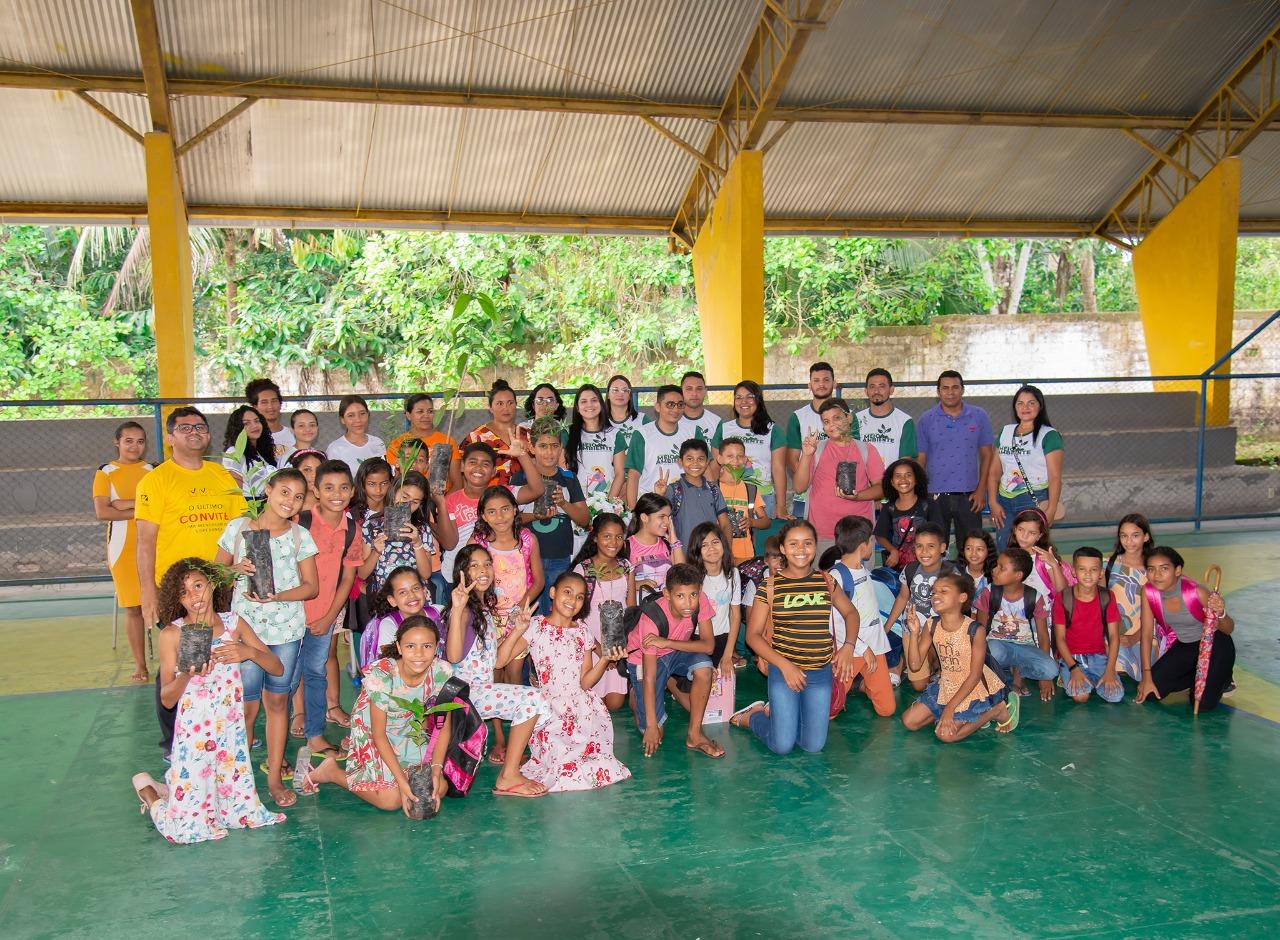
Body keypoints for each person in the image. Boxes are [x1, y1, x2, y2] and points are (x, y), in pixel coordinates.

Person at [132, 557, 284, 843]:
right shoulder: (172, 634)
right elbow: (166, 699)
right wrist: (187, 674)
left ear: (213, 585)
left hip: (230, 730)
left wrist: (248, 652)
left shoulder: (233, 624)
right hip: (195, 732)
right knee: (187, 829)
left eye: (198, 586)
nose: (194, 597)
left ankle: (173, 785)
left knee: (237, 814)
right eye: (184, 593)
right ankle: (149, 793)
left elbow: (277, 667)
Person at [136, 407, 248, 755]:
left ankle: (219, 730)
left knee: (220, 655)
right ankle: (174, 740)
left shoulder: (222, 477)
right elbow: (145, 543)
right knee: (179, 659)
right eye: (184, 428)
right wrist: (147, 594)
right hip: (177, 591)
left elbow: (241, 530)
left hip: (220, 585)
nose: (194, 432)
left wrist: (228, 576)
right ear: (170, 438)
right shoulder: (155, 480)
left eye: (200, 426)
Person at [213, 467, 320, 808]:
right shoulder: (239, 528)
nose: (291, 501)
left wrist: (278, 596)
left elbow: (311, 587)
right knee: (245, 706)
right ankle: (235, 779)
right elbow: (213, 572)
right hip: (244, 631)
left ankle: (274, 778)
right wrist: (235, 569)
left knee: (278, 703)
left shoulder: (300, 536)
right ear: (268, 491)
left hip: (286, 632)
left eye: (299, 496)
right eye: (284, 492)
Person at [296, 615, 455, 816]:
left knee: (440, 787)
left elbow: (443, 727)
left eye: (427, 646)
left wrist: (436, 769)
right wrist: (401, 783)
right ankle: (332, 772)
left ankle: (402, 777)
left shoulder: (442, 672)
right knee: (390, 801)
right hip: (373, 730)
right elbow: (378, 734)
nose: (419, 654)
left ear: (436, 647)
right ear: (398, 647)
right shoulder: (383, 675)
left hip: (407, 726)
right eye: (410, 646)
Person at [729, 520, 858, 755]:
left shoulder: (826, 581)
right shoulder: (769, 586)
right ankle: (753, 717)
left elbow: (851, 613)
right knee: (782, 745)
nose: (801, 549)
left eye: (807, 543)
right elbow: (753, 636)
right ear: (783, 548)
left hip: (820, 671)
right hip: (784, 670)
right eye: (794, 544)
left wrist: (849, 646)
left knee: (813, 746)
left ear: (816, 546)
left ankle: (785, 717)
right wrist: (784, 665)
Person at [499, 571, 631, 792]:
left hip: (582, 710)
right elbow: (499, 661)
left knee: (597, 764)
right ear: (553, 593)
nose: (573, 600)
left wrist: (605, 658)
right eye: (567, 592)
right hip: (549, 709)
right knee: (561, 766)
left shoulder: (582, 632)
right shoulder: (536, 626)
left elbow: (586, 683)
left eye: (580, 597)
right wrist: (517, 630)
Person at [445, 546, 551, 797]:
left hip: (479, 690)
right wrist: (458, 608)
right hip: (461, 692)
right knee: (533, 699)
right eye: (474, 565)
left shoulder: (484, 611)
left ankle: (514, 766)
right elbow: (453, 656)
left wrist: (518, 629)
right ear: (462, 572)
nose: (483, 570)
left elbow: (497, 663)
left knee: (535, 696)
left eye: (486, 564)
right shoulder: (463, 609)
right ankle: (508, 775)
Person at [290, 459, 364, 746]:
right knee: (285, 680)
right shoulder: (301, 522)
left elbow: (347, 580)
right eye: (329, 487)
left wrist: (329, 617)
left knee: (315, 674)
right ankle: (279, 738)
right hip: (291, 616)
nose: (337, 493)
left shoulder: (352, 529)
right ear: (316, 491)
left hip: (324, 616)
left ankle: (316, 734)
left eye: (344, 487)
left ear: (352, 491)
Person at [901, 571, 1018, 741]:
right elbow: (914, 665)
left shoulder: (974, 630)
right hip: (947, 684)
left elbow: (975, 676)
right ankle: (956, 715)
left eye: (944, 591)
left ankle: (995, 710)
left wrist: (949, 710)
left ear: (962, 597)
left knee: (946, 736)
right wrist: (914, 633)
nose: (935, 595)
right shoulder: (931, 625)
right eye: (934, 592)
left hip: (973, 687)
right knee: (909, 722)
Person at [625, 562, 724, 759]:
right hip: (644, 662)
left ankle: (695, 734)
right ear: (667, 595)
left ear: (699, 591)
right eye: (680, 596)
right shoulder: (651, 619)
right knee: (655, 734)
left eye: (693, 595)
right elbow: (650, 676)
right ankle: (636, 697)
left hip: (675, 649)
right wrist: (652, 726)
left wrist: (667, 642)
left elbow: (708, 646)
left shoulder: (700, 600)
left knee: (705, 666)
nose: (688, 603)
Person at [1138, 546, 1236, 712]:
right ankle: (1199, 672)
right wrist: (1147, 676)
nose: (1157, 575)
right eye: (1151, 569)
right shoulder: (1148, 592)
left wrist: (1221, 613)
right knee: (1150, 694)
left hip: (1215, 642)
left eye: (1164, 569)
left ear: (1178, 570)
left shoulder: (1196, 592)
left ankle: (1225, 677)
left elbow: (1228, 629)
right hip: (1186, 645)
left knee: (1202, 704)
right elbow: (1146, 634)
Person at [92, 420, 154, 683]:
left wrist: (123, 506)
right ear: (117, 442)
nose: (134, 446)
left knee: (165, 601)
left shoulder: (152, 470)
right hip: (121, 547)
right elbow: (103, 511)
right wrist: (139, 510)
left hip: (154, 542)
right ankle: (140, 664)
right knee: (134, 608)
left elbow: (162, 506)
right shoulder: (105, 472)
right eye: (128, 440)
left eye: (140, 441)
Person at [438, 441, 544, 592]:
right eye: (472, 462)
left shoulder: (501, 495)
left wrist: (522, 455)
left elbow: (537, 489)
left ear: (494, 471)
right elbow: (449, 544)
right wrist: (440, 504)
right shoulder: (450, 501)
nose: (478, 468)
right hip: (456, 576)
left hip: (496, 578)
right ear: (462, 466)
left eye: (485, 464)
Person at [512, 416, 589, 613]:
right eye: (543, 446)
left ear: (561, 448)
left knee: (557, 610)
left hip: (560, 555)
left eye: (554, 446)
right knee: (530, 612)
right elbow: (509, 520)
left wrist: (563, 503)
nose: (549, 452)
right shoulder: (520, 477)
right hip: (527, 556)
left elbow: (584, 519)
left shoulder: (569, 478)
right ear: (532, 447)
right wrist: (535, 517)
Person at [915, 370, 994, 558]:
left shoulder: (979, 415)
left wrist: (980, 490)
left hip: (969, 497)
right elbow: (921, 459)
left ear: (962, 390)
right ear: (938, 391)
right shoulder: (926, 419)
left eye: (955, 388)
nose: (950, 392)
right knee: (934, 550)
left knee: (970, 551)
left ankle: (969, 585)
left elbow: (987, 454)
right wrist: (919, 493)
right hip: (934, 495)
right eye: (945, 388)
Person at [791, 398, 885, 552]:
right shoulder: (816, 450)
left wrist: (858, 496)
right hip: (822, 534)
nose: (832, 425)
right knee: (823, 576)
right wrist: (807, 455)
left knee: (858, 576)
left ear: (848, 418)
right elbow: (799, 487)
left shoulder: (866, 449)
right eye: (826, 421)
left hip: (859, 535)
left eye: (837, 418)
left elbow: (882, 488)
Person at [826, 516, 896, 718]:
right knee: (829, 710)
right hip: (851, 651)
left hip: (876, 646)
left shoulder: (863, 570)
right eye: (872, 540)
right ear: (863, 545)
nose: (873, 544)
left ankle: (864, 685)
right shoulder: (837, 576)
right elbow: (834, 625)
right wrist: (862, 649)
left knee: (887, 710)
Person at [571, 512, 635, 711]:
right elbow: (575, 618)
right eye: (607, 536)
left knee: (613, 704)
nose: (613, 542)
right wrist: (599, 649)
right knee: (590, 702)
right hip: (591, 644)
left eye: (618, 537)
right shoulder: (583, 570)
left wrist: (620, 649)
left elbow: (631, 609)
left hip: (617, 643)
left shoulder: (626, 567)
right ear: (595, 537)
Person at [988, 385, 1064, 550]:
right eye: (1020, 403)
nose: (1025, 408)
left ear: (1040, 406)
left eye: (1031, 403)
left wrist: (1051, 508)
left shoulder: (1049, 435)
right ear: (1015, 407)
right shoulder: (1005, 432)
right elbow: (994, 473)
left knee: (1031, 550)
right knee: (1004, 548)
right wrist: (993, 501)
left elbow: (1055, 477)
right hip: (1004, 501)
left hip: (1032, 499)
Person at [977, 547, 1054, 701]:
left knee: (1051, 670)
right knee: (992, 651)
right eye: (997, 565)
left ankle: (1017, 670)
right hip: (998, 644)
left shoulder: (1034, 596)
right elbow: (979, 627)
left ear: (1018, 575)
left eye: (1001, 568)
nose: (995, 570)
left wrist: (1045, 678)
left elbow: (1044, 636)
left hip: (1025, 647)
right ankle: (1004, 678)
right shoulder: (989, 592)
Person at [884, 522, 953, 688]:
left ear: (942, 548)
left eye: (931, 546)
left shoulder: (951, 573)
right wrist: (887, 626)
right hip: (913, 630)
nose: (924, 552)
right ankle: (905, 659)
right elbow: (902, 597)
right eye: (919, 546)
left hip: (940, 630)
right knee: (919, 686)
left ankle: (935, 660)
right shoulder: (910, 569)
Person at [1053, 547, 1124, 704]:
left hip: (1099, 656)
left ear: (1100, 573)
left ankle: (1091, 678)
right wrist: (1074, 669)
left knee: (1115, 697)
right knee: (1081, 697)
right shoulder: (1063, 598)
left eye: (1093, 570)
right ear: (1073, 572)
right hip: (1072, 657)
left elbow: (1113, 636)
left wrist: (1110, 670)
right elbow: (1060, 639)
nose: (1087, 574)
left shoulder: (1107, 597)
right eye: (1082, 569)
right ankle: (1065, 673)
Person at [358, 469, 442, 599]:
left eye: (415, 502)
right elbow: (362, 574)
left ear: (420, 504)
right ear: (394, 491)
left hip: (414, 598)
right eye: (404, 497)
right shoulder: (371, 525)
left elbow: (426, 574)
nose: (407, 505)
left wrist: (418, 543)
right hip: (385, 598)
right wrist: (376, 552)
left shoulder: (421, 529)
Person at [711, 381, 787, 518]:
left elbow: (778, 469)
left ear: (758, 399)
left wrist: (781, 506)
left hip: (763, 497)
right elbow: (716, 467)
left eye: (749, 396)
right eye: (738, 397)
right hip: (729, 497)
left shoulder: (773, 430)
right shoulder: (724, 428)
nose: (743, 401)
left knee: (761, 538)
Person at [686, 523, 742, 678]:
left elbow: (735, 616)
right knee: (702, 680)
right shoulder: (694, 578)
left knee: (720, 685)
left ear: (723, 544)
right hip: (698, 639)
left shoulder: (733, 574)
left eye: (715, 542)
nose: (711, 548)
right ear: (697, 551)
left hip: (724, 639)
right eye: (704, 545)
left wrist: (728, 654)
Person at [785, 361, 839, 518]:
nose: (821, 384)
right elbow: (793, 459)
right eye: (816, 380)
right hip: (806, 491)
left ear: (834, 384)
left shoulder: (848, 416)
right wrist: (810, 481)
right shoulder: (798, 417)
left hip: (837, 491)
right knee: (805, 537)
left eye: (826, 380)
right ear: (809, 385)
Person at [655, 438, 731, 548]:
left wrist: (726, 551)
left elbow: (725, 524)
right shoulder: (674, 490)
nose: (695, 463)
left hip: (711, 554)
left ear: (707, 462)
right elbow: (659, 519)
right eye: (689, 459)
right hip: (683, 556)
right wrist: (660, 496)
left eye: (700, 459)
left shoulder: (713, 489)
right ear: (680, 462)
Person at [622, 384, 689, 509]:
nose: (675, 409)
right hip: (651, 506)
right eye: (670, 404)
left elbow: (704, 470)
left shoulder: (692, 432)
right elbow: (633, 475)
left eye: (680, 404)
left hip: (685, 505)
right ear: (658, 407)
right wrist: (633, 511)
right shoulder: (642, 434)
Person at [1106, 514, 1154, 681]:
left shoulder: (1154, 570)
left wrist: (1136, 637)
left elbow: (1160, 611)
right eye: (1124, 536)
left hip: (1146, 634)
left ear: (1146, 537)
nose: (1129, 541)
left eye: (1135, 535)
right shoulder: (1108, 565)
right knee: (1114, 663)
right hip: (1112, 633)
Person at [874, 457, 942, 572]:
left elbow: (939, 534)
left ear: (916, 479)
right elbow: (880, 535)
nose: (903, 479)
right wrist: (893, 550)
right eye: (898, 476)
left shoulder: (929, 505)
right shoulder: (889, 508)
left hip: (925, 567)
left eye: (908, 475)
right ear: (891, 482)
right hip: (899, 570)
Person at [363, 567, 438, 670]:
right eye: (402, 592)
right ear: (392, 600)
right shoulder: (389, 625)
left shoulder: (439, 612)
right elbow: (388, 664)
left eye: (415, 588)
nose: (411, 595)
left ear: (425, 591)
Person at [385, 393, 463, 492]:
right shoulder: (397, 444)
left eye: (430, 411)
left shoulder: (447, 441)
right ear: (408, 415)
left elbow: (458, 484)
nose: (426, 415)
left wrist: (442, 504)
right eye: (420, 411)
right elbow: (393, 482)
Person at [564, 383, 625, 504]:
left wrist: (608, 503)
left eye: (594, 400)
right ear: (577, 407)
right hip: (576, 503)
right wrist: (576, 504)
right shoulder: (567, 433)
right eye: (584, 401)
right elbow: (564, 471)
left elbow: (620, 473)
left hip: (606, 501)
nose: (589, 405)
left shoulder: (615, 434)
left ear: (601, 404)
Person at [464, 380, 531, 488]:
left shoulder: (528, 435)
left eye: (510, 403)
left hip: (526, 496)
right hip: (488, 498)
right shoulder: (476, 436)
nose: (506, 408)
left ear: (516, 405)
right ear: (490, 408)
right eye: (500, 403)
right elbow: (463, 471)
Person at [717, 436, 771, 565]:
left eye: (740, 456)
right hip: (718, 554)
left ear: (745, 460)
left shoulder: (751, 489)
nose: (735, 461)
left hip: (745, 555)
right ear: (720, 459)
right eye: (730, 456)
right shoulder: (713, 489)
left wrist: (751, 522)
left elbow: (766, 522)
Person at [1008, 508, 1070, 608]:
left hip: (1042, 614)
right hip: (1015, 614)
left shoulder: (1044, 558)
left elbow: (1063, 591)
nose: (1024, 536)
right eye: (1021, 529)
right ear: (1015, 529)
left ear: (1039, 536)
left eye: (1032, 533)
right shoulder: (1007, 557)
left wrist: (1054, 564)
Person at [626, 492, 685, 594]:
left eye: (669, 517)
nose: (667, 522)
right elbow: (613, 583)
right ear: (644, 517)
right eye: (662, 516)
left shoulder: (669, 545)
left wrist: (674, 542)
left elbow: (682, 576)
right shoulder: (626, 546)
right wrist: (635, 584)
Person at [856, 368, 917, 464]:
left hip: (891, 478)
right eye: (872, 387)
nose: (876, 391)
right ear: (866, 391)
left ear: (891, 390)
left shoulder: (905, 421)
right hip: (863, 479)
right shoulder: (856, 419)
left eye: (882, 386)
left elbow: (905, 463)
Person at [326, 395, 385, 476]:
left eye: (362, 413)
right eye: (351, 415)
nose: (358, 420)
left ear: (368, 415)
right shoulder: (335, 449)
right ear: (342, 419)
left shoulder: (377, 443)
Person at [221, 404, 276, 490]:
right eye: (247, 423)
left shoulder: (261, 452)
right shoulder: (234, 452)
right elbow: (235, 490)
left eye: (257, 421)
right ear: (238, 428)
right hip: (249, 502)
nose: (254, 426)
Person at [246, 378, 293, 463]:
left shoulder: (294, 434)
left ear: (280, 403)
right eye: (264, 402)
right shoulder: (250, 439)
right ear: (255, 407)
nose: (270, 406)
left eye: (274, 401)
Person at [678, 371, 721, 445]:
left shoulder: (716, 422)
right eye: (689, 389)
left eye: (699, 389)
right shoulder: (673, 421)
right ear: (680, 391)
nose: (694, 394)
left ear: (705, 391)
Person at [962, 529, 996, 601]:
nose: (973, 553)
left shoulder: (996, 575)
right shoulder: (956, 573)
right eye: (968, 548)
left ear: (988, 551)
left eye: (979, 549)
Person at [286, 449, 324, 513]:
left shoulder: (331, 503)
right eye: (307, 470)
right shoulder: (285, 504)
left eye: (319, 470)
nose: (314, 475)